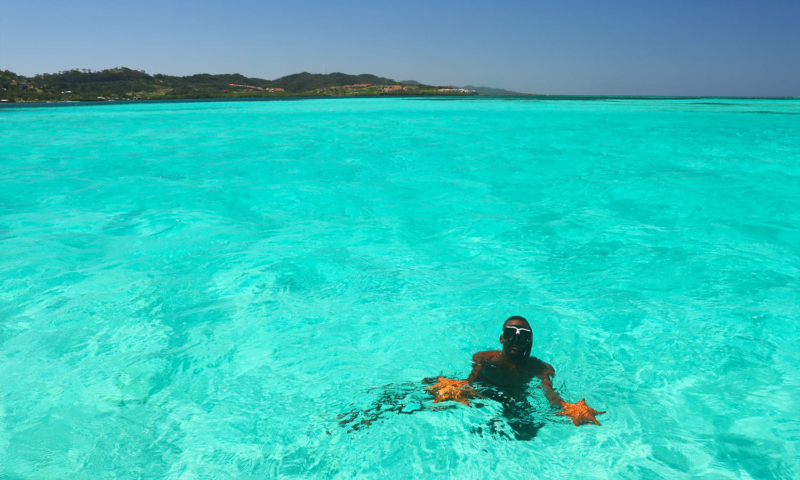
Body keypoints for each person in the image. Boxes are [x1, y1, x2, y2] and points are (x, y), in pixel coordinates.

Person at [430, 315, 605, 438]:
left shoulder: (540, 368)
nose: (515, 339)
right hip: (485, 391)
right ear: (501, 338)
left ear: (529, 341)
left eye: (523, 335)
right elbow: (471, 382)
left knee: (527, 433)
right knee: (429, 391)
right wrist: (454, 387)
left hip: (514, 397)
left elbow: (548, 392)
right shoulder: (483, 358)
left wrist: (565, 406)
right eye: (510, 333)